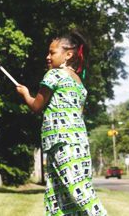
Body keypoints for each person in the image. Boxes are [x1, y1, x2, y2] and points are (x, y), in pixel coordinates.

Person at [16, 31, 107, 216]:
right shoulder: (78, 81)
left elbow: (36, 105)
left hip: (60, 143)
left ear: (68, 54)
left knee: (79, 192)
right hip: (78, 143)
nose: (47, 57)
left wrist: (25, 93)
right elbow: (78, 113)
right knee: (60, 197)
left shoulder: (53, 75)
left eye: (52, 53)